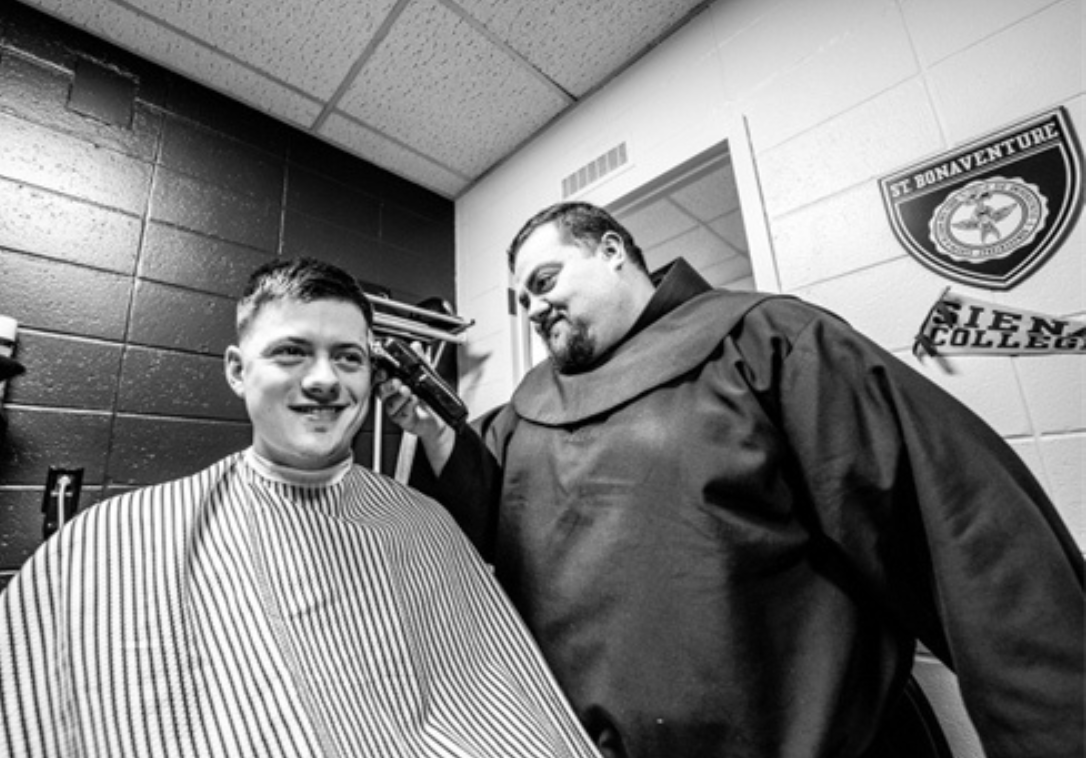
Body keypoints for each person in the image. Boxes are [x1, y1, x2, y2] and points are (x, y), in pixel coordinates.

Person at [378, 202, 1084, 758]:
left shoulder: (768, 342)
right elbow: (482, 539)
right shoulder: (523, 412)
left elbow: (961, 531)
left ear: (612, 251)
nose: (532, 308)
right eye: (521, 298)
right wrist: (441, 434)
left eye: (545, 281)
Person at [0, 257, 601, 758]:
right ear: (239, 370)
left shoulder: (424, 524)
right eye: (293, 351)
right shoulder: (116, 539)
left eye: (349, 358)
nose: (326, 380)